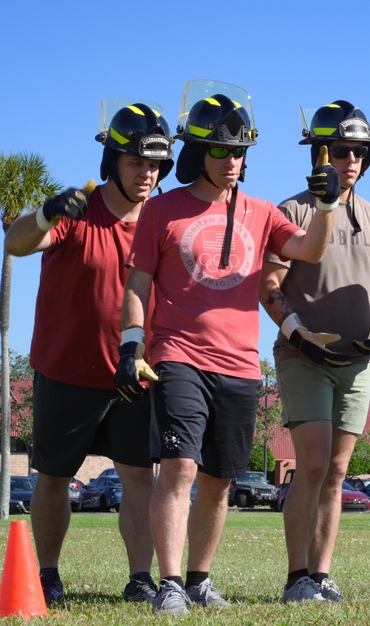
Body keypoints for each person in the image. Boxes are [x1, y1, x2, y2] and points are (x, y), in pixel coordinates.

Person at [116, 86, 339, 616]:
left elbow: (310, 248)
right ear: (197, 151)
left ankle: (198, 579)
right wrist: (131, 344)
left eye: (239, 152)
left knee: (219, 482)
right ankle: (169, 584)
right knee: (179, 469)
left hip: (240, 366)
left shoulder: (262, 213)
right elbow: (137, 284)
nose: (232, 161)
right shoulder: (161, 210)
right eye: (220, 151)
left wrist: (326, 204)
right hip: (176, 357)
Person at [3, 101, 175, 604]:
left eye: (155, 164)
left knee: (139, 479)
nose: (148, 174)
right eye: (137, 163)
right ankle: (48, 575)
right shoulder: (80, 208)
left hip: (135, 374)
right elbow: (14, 243)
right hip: (66, 371)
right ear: (113, 163)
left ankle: (140, 579)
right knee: (53, 478)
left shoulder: (163, 219)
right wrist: (44, 212)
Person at [259, 100, 370, 603]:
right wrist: (296, 332)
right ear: (319, 154)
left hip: (356, 365)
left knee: (338, 472)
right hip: (303, 360)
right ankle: (296, 577)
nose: (352, 160)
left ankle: (321, 574)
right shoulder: (290, 211)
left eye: (361, 151)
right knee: (312, 466)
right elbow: (269, 284)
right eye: (342, 150)